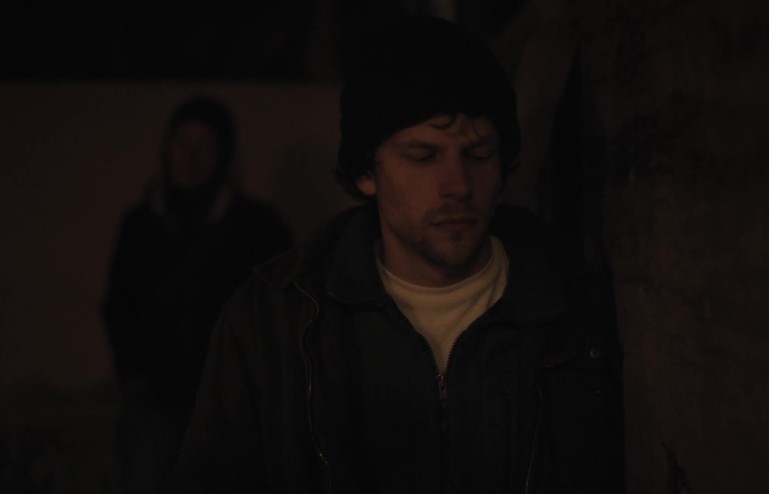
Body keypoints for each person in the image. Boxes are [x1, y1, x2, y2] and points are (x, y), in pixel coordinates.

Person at [172, 17, 623, 493]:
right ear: (367, 173)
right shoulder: (275, 321)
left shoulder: (577, 305)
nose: (458, 185)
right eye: (423, 157)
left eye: (478, 154)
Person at [102, 95, 293, 494]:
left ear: (223, 155)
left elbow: (281, 307)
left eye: (204, 145)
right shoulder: (141, 226)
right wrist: (133, 376)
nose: (190, 157)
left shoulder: (256, 229)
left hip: (232, 404)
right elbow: (119, 305)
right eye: (182, 143)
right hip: (156, 400)